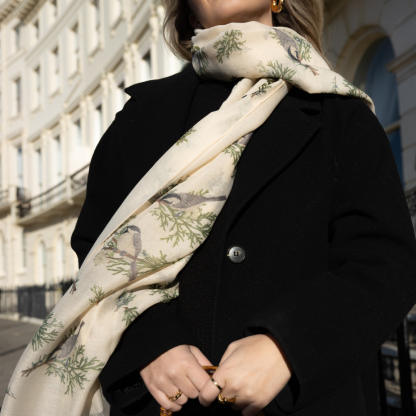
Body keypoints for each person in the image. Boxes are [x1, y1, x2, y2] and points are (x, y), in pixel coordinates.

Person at [70, 1, 416, 416]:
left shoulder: (340, 111)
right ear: (190, 13)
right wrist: (149, 344)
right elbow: (99, 254)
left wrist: (287, 345)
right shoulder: (138, 120)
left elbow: (386, 262)